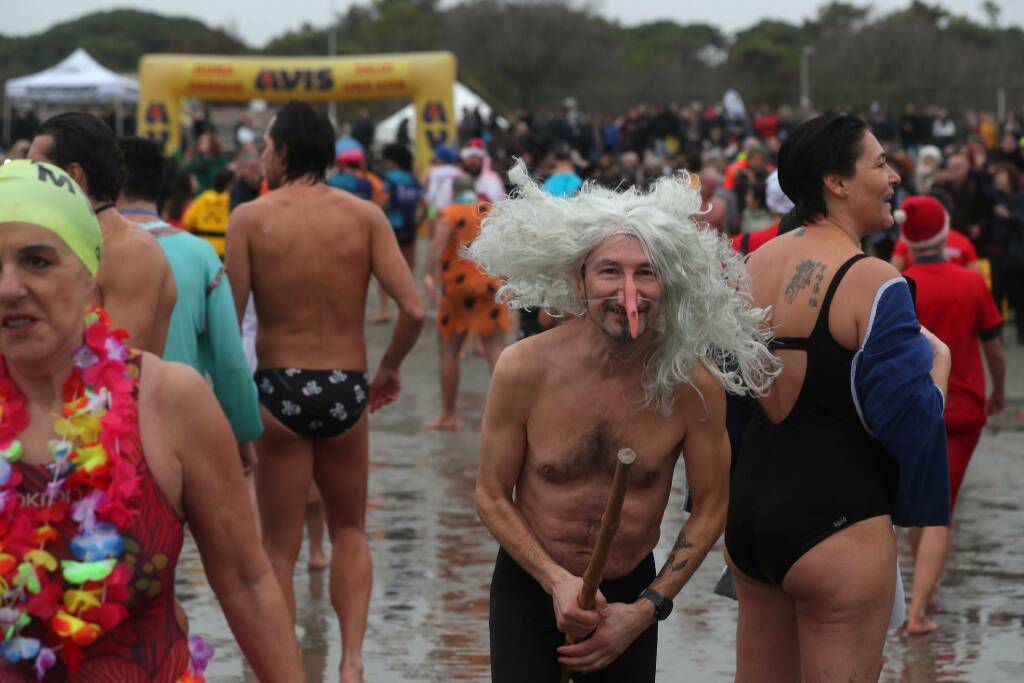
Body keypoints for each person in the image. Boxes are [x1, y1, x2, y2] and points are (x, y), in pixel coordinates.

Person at [469, 160, 780, 681]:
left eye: (646, 272)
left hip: (631, 597)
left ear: (668, 283)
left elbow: (711, 507)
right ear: (580, 279)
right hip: (530, 583)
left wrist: (647, 608)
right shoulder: (525, 368)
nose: (627, 291)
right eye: (610, 270)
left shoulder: (693, 387)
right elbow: (490, 495)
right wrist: (554, 582)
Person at [0, 159, 303, 681]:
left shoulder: (169, 401)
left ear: (89, 270)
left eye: (37, 261)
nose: (8, 288)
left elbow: (247, 583)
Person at [725, 113, 951, 682]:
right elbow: (911, 424)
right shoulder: (875, 281)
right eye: (880, 163)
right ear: (837, 182)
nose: (895, 176)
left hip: (749, 519)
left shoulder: (748, 268)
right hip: (838, 525)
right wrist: (940, 367)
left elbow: (727, 403)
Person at [224, 100, 425, 683]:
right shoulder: (364, 216)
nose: (261, 153)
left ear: (284, 152)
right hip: (345, 387)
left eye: (266, 144)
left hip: (277, 388)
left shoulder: (249, 218)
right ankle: (352, 664)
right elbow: (413, 308)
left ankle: (284, 668)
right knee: (350, 530)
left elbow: (233, 324)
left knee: (278, 551)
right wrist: (387, 370)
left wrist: (234, 410)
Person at [116, 136, 262, 465]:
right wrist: (241, 432)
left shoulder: (88, 250)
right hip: (176, 430)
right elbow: (229, 360)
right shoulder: (200, 255)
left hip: (103, 430)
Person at [899, 194, 1005, 634]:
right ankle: (919, 610)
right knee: (940, 507)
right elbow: (995, 349)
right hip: (963, 407)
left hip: (911, 407)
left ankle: (927, 587)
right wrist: (999, 389)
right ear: (947, 232)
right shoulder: (971, 283)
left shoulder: (897, 282)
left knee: (919, 499)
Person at [27, 112, 176, 356]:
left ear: (73, 175)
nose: (28, 181)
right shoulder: (60, 241)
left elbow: (120, 368)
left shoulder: (129, 249)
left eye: (36, 169)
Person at [423, 175, 508, 431]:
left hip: (457, 288)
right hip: (489, 284)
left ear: (453, 191)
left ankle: (449, 415)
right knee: (496, 351)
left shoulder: (449, 213)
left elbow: (438, 244)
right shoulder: (490, 211)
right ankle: (505, 416)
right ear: (475, 190)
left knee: (449, 351)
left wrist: (429, 274)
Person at [374, 144, 425, 324]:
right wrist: (418, 223)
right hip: (409, 227)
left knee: (385, 269)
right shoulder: (412, 178)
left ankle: (384, 310)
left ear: (392, 160)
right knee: (408, 269)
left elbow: (381, 204)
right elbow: (425, 207)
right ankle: (408, 308)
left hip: (392, 228)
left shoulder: (389, 179)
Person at [183, 168, 234, 257]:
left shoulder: (203, 198)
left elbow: (188, 221)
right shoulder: (232, 200)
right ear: (230, 184)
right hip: (225, 252)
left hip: (203, 250)